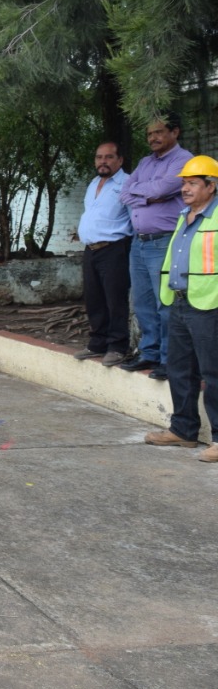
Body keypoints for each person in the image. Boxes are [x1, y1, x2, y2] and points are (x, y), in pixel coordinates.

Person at [145, 155, 218, 462]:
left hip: (208, 304)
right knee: (179, 370)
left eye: (192, 183)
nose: (185, 189)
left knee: (213, 373)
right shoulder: (183, 216)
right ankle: (184, 431)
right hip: (178, 302)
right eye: (183, 184)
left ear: (211, 187)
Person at [119, 113, 194, 380]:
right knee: (143, 302)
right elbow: (125, 193)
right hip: (138, 244)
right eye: (150, 133)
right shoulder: (144, 162)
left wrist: (147, 192)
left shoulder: (184, 160)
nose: (153, 138)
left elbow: (161, 190)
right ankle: (148, 353)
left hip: (164, 241)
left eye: (159, 132)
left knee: (166, 303)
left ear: (175, 132)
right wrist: (146, 195)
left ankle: (168, 359)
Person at [74, 143, 133, 366]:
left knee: (114, 298)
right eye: (99, 157)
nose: (103, 161)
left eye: (109, 157)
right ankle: (97, 342)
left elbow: (134, 217)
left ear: (120, 160)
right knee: (94, 298)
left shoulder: (127, 183)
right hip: (90, 250)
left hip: (114, 249)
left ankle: (118, 346)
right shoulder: (93, 183)